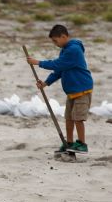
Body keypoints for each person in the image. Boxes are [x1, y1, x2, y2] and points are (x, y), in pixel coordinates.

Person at [26, 24, 93, 153]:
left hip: (82, 89)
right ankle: (69, 143)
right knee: (69, 118)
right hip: (72, 92)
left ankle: (82, 144)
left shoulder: (74, 50)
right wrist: (46, 83)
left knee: (78, 118)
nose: (55, 44)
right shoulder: (65, 50)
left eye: (55, 41)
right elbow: (59, 70)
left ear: (63, 36)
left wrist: (38, 62)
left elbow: (57, 64)